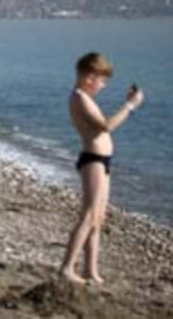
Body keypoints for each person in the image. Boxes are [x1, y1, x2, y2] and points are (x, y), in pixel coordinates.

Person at [59, 52, 144, 286]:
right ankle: (67, 267)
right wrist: (130, 105)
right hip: (93, 159)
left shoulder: (84, 97)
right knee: (88, 215)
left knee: (98, 218)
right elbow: (105, 126)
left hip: (101, 159)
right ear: (89, 76)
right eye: (102, 80)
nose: (103, 86)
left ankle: (90, 270)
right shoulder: (79, 98)